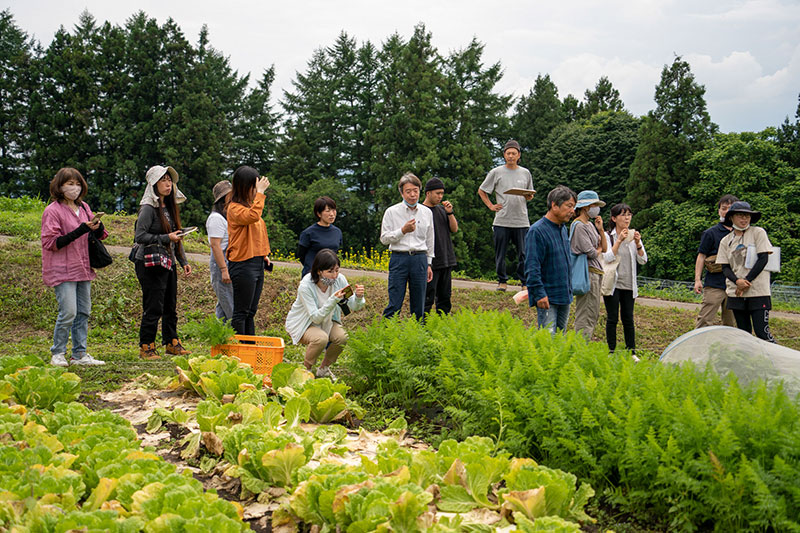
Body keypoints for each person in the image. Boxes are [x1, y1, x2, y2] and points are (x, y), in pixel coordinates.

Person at [40, 167, 108, 366]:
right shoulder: (52, 211)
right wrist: (80, 230)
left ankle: (79, 354)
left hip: (83, 267)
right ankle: (58, 352)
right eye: (70, 184)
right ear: (59, 186)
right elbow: (51, 242)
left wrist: (98, 226)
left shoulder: (84, 207)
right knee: (68, 311)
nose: (75, 188)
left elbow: (99, 235)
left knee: (83, 312)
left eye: (78, 184)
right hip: (61, 269)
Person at [133, 165, 192, 360]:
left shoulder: (170, 207)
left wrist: (182, 260)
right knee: (154, 306)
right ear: (154, 184)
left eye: (170, 180)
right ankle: (146, 345)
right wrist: (166, 237)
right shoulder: (148, 208)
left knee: (170, 304)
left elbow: (177, 236)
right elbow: (140, 236)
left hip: (168, 262)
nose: (168, 184)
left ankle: (171, 342)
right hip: (150, 263)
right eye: (163, 180)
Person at [285, 249, 365, 379]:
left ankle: (324, 368)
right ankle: (306, 371)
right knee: (321, 338)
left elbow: (353, 306)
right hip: (304, 323)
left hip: (328, 320)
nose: (334, 275)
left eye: (337, 270)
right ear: (319, 271)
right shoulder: (306, 285)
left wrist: (358, 297)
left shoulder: (340, 280)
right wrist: (333, 299)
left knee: (343, 337)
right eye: (330, 271)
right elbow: (315, 318)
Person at [478, 139, 535, 291]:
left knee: (524, 253)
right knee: (500, 253)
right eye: (508, 153)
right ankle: (502, 281)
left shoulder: (525, 173)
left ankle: (524, 283)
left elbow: (530, 194)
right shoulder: (496, 172)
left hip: (521, 220)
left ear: (519, 155)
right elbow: (482, 190)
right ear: (504, 155)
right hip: (502, 219)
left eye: (513, 153)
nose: (511, 156)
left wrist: (529, 196)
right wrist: (490, 205)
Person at [715, 201, 775, 342]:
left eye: (747, 216)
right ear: (731, 217)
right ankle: (747, 363)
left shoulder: (758, 232)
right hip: (735, 292)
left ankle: (777, 362)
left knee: (762, 332)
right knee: (743, 334)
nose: (744, 219)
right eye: (740, 216)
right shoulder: (726, 240)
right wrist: (737, 282)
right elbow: (725, 267)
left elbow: (763, 258)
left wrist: (746, 280)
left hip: (758, 291)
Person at [380, 172, 434, 320]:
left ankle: (417, 336)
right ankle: (387, 334)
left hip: (420, 259)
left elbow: (430, 240)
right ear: (402, 193)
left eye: (415, 191)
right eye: (408, 191)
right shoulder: (392, 212)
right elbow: (384, 238)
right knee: (395, 301)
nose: (412, 195)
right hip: (399, 258)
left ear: (420, 191)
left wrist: (429, 263)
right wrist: (402, 231)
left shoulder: (426, 212)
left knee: (419, 303)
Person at [227, 166, 271, 337]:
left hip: (256, 262)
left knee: (251, 312)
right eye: (254, 188)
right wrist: (261, 194)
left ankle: (249, 349)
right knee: (241, 312)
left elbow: (256, 233)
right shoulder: (234, 208)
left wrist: (263, 254)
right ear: (244, 187)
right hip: (243, 264)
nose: (256, 191)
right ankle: (239, 352)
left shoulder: (251, 207)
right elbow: (252, 217)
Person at [525, 186, 577, 334]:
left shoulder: (562, 228)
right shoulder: (537, 231)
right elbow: (532, 267)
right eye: (569, 206)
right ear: (554, 205)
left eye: (573, 206)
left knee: (560, 341)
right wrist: (539, 294)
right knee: (547, 342)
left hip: (564, 295)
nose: (572, 211)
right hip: (547, 297)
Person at [602, 203, 647, 354]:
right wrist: (619, 241)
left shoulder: (634, 235)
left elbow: (643, 260)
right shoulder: (609, 236)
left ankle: (631, 352)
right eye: (623, 215)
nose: (627, 218)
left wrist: (638, 243)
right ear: (614, 218)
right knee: (612, 318)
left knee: (628, 319)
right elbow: (607, 258)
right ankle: (611, 351)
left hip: (629, 284)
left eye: (629, 214)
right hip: (613, 284)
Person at [693, 194, 738, 328]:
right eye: (723, 208)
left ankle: (730, 349)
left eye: (730, 209)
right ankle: (699, 346)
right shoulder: (710, 233)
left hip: (735, 284)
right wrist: (697, 279)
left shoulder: (742, 233)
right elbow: (701, 256)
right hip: (714, 283)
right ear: (719, 211)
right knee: (705, 320)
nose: (726, 212)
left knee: (732, 324)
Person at [570, 190, 607, 341]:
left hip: (595, 272)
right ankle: (580, 345)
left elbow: (603, 248)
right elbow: (591, 252)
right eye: (594, 205)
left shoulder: (590, 225)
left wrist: (601, 229)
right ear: (586, 207)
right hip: (587, 272)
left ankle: (584, 343)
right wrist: (597, 249)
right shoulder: (579, 226)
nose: (596, 208)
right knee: (586, 312)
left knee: (593, 312)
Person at [422, 177, 458, 315]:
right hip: (431, 261)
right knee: (427, 297)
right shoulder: (421, 210)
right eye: (437, 193)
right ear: (428, 193)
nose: (440, 196)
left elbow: (454, 229)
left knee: (445, 297)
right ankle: (422, 326)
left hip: (446, 259)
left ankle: (442, 324)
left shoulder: (442, 210)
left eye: (442, 193)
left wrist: (450, 212)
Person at [206, 180, 234, 321]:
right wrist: (224, 269)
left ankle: (220, 338)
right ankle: (237, 337)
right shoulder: (216, 218)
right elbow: (215, 245)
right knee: (230, 305)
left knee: (223, 306)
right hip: (221, 264)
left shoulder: (226, 217)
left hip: (227, 262)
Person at [298, 196, 343, 277]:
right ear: (319, 214)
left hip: (330, 277)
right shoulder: (308, 233)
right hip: (311, 275)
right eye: (328, 211)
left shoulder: (337, 232)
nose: (332, 214)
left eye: (333, 210)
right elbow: (301, 255)